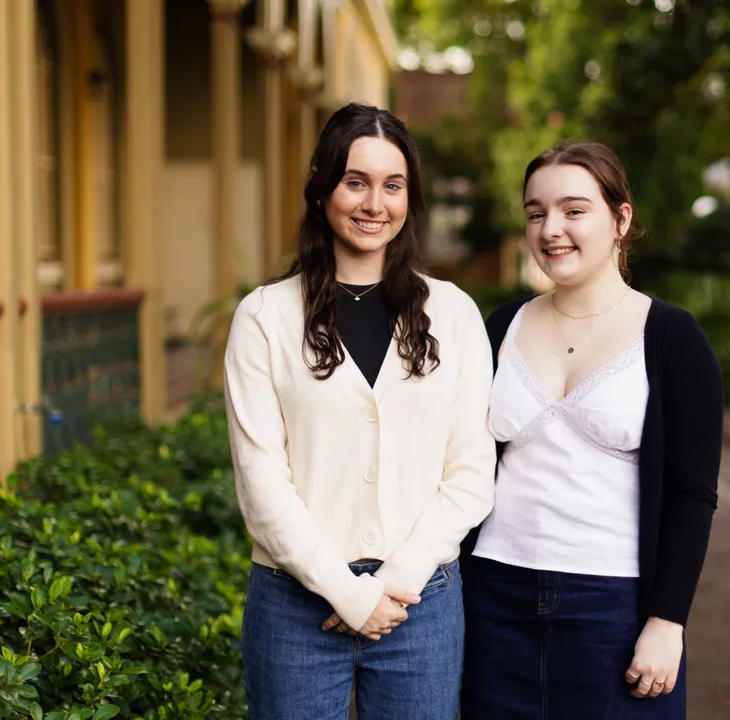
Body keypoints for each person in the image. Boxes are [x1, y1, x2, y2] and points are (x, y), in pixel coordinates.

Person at [223, 102, 496, 720]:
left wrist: (395, 580)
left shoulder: (452, 315)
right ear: (321, 185)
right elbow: (261, 483)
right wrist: (347, 592)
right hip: (294, 603)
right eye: (356, 181)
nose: (375, 203)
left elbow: (472, 471)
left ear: (410, 198)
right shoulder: (264, 318)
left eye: (393, 186)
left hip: (420, 601)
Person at [461, 141, 724, 719]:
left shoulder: (674, 337)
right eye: (536, 213)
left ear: (620, 219)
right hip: (492, 598)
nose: (551, 228)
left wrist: (667, 620)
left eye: (574, 210)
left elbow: (692, 493)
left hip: (615, 608)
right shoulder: (501, 326)